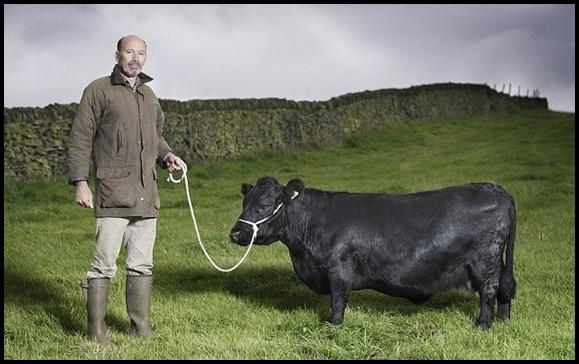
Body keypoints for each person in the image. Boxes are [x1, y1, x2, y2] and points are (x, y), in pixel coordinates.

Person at [68, 34, 183, 345]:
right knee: (103, 265)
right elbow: (80, 138)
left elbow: (156, 137)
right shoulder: (98, 90)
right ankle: (97, 333)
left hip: (147, 195)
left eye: (141, 53)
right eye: (129, 52)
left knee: (142, 264)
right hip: (112, 194)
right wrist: (81, 182)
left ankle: (140, 328)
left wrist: (167, 155)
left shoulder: (149, 95)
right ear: (117, 55)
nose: (135, 58)